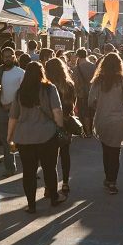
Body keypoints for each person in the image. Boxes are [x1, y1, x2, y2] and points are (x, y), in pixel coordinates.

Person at [7, 61, 67, 213]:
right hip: (47, 135)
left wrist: (9, 136)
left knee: (28, 172)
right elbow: (57, 111)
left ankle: (31, 204)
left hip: (24, 137)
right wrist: (60, 128)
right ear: (42, 73)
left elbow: (13, 117)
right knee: (49, 168)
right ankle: (54, 197)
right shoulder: (49, 89)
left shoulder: (20, 92)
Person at [89, 52, 123, 195]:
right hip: (118, 121)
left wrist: (100, 104)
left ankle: (108, 178)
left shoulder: (98, 80)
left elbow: (90, 101)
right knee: (115, 152)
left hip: (102, 119)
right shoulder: (121, 80)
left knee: (106, 150)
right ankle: (112, 181)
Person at [45, 57, 77, 195]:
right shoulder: (69, 84)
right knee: (65, 153)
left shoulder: (46, 85)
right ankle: (65, 182)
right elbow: (73, 103)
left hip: (49, 122)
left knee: (49, 157)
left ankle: (48, 186)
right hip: (65, 122)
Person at [0, 47, 24, 177]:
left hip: (17, 110)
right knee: (6, 140)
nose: (7, 58)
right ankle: (10, 168)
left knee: (20, 140)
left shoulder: (20, 72)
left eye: (10, 56)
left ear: (14, 56)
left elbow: (24, 93)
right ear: (2, 57)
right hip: (1, 110)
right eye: (5, 56)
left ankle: (28, 168)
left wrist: (12, 105)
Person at [74, 48, 97, 137]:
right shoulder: (93, 66)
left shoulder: (76, 68)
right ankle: (93, 129)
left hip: (82, 93)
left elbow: (75, 82)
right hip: (93, 91)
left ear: (78, 56)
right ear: (86, 55)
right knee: (93, 111)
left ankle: (87, 131)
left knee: (85, 112)